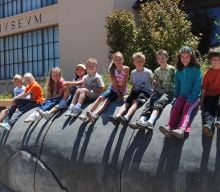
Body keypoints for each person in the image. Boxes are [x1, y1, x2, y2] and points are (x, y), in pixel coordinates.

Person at [159, 46, 202, 139]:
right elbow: (177, 85)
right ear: (179, 57)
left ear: (191, 57)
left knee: (187, 108)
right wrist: (176, 97)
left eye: (187, 57)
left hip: (194, 97)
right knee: (177, 106)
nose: (185, 59)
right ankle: (169, 127)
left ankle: (181, 129)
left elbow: (197, 86)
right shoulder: (179, 70)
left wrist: (191, 98)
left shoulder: (196, 69)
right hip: (183, 95)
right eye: (183, 57)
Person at [129, 49, 175, 130]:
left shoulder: (171, 69)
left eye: (163, 58)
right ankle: (141, 120)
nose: (161, 60)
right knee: (149, 103)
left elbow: (176, 81)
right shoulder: (157, 70)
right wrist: (154, 83)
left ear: (167, 58)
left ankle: (150, 121)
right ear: (157, 60)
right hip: (158, 91)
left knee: (159, 102)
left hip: (168, 92)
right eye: (159, 58)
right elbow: (155, 82)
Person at [78, 52, 129, 123]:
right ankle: (88, 112)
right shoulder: (112, 69)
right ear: (113, 61)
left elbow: (124, 82)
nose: (118, 61)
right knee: (100, 98)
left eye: (120, 59)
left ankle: (95, 114)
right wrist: (117, 93)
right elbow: (114, 84)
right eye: (116, 60)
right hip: (113, 88)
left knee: (106, 102)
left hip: (121, 90)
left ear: (123, 60)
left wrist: (121, 94)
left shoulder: (126, 69)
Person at [109, 52, 153, 126]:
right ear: (133, 62)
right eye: (137, 61)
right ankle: (117, 116)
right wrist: (130, 94)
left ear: (144, 62)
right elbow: (133, 85)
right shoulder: (133, 72)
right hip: (136, 91)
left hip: (145, 92)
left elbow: (154, 83)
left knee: (135, 101)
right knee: (127, 101)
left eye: (141, 61)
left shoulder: (148, 72)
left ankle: (126, 117)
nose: (139, 63)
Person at [201, 46, 220, 136]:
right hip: (210, 95)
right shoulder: (208, 73)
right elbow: (204, 88)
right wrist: (201, 101)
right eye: (213, 60)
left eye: (217, 59)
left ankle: (219, 121)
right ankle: (208, 125)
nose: (215, 61)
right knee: (208, 108)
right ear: (210, 61)